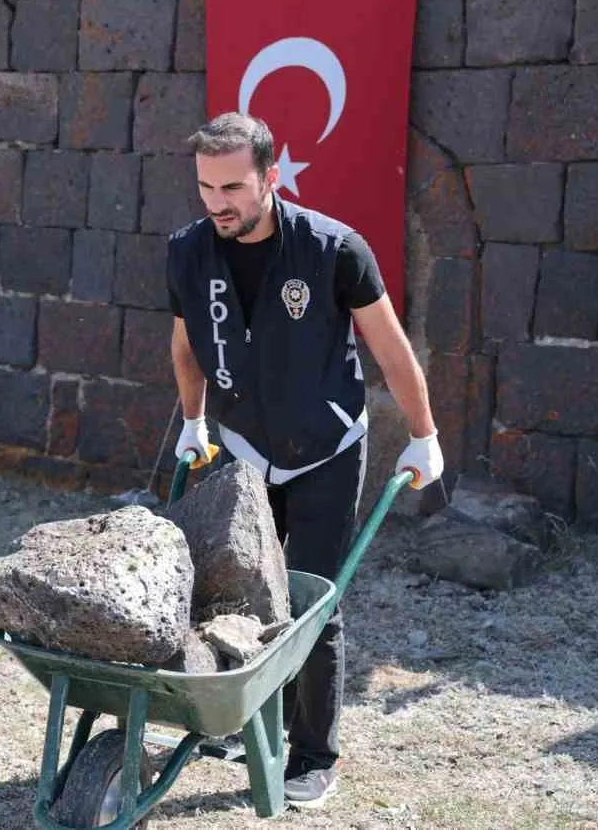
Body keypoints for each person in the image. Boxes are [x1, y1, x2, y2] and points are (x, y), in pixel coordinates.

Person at [166, 113, 443, 811]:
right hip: (244, 446)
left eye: (232, 186)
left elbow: (389, 346)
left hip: (325, 448)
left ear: (271, 177)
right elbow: (185, 345)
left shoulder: (333, 250)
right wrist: (194, 421)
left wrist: (423, 433)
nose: (217, 202)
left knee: (313, 601)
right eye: (206, 187)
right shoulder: (188, 252)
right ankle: (243, 722)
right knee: (236, 594)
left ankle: (314, 755)